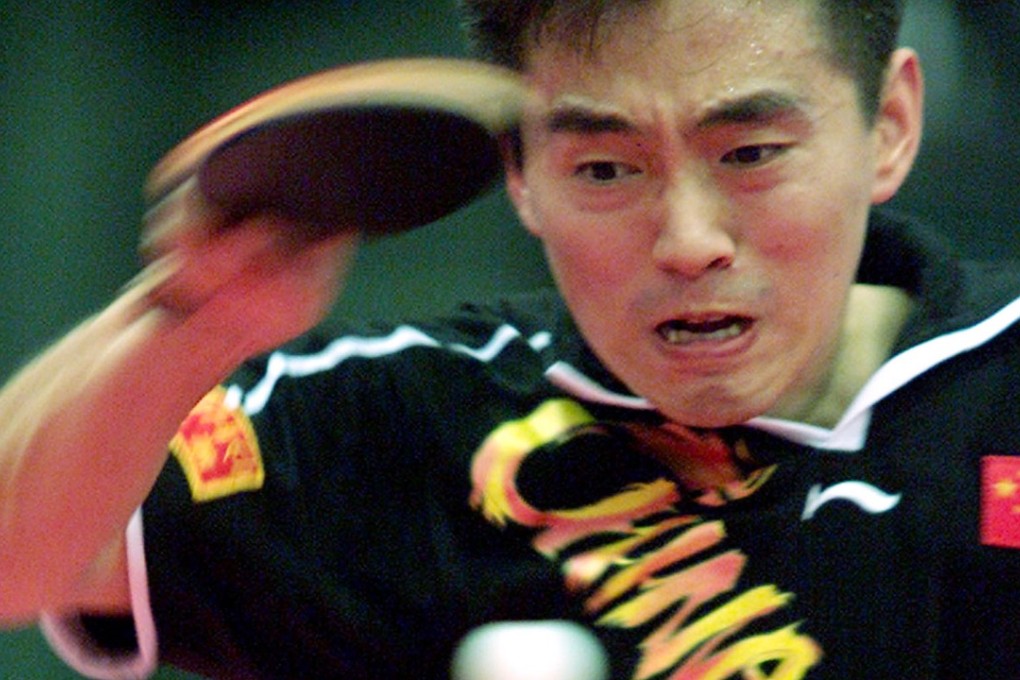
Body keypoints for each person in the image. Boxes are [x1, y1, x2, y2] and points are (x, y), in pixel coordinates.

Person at [1, 0, 1019, 678]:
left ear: (888, 123)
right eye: (606, 171)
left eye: (751, 152)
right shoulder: (406, 413)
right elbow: (25, 558)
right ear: (523, 175)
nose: (689, 241)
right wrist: (192, 321)